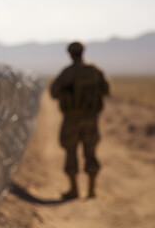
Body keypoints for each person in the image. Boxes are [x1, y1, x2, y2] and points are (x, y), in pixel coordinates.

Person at [50, 41, 110, 199]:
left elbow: (53, 92)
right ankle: (91, 190)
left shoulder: (67, 72)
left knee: (71, 151)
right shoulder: (95, 70)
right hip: (91, 118)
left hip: (72, 118)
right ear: (83, 52)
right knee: (90, 152)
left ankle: (74, 189)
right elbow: (107, 90)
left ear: (70, 53)